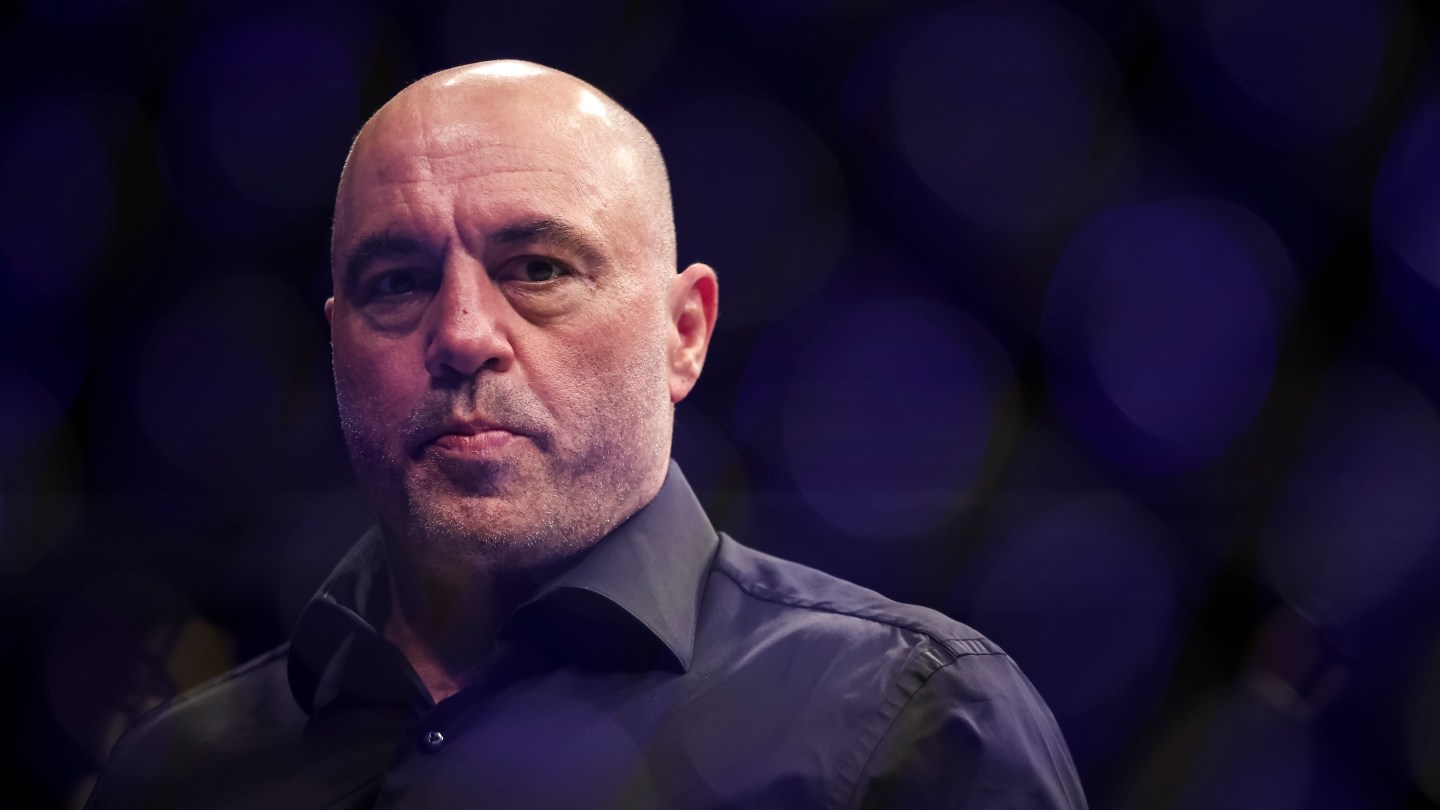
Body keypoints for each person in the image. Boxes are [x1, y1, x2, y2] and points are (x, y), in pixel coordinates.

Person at [86, 60, 1087, 809]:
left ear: (683, 334)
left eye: (539, 269)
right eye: (397, 281)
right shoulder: (177, 772)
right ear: (337, 344)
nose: (462, 335)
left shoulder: (911, 724)